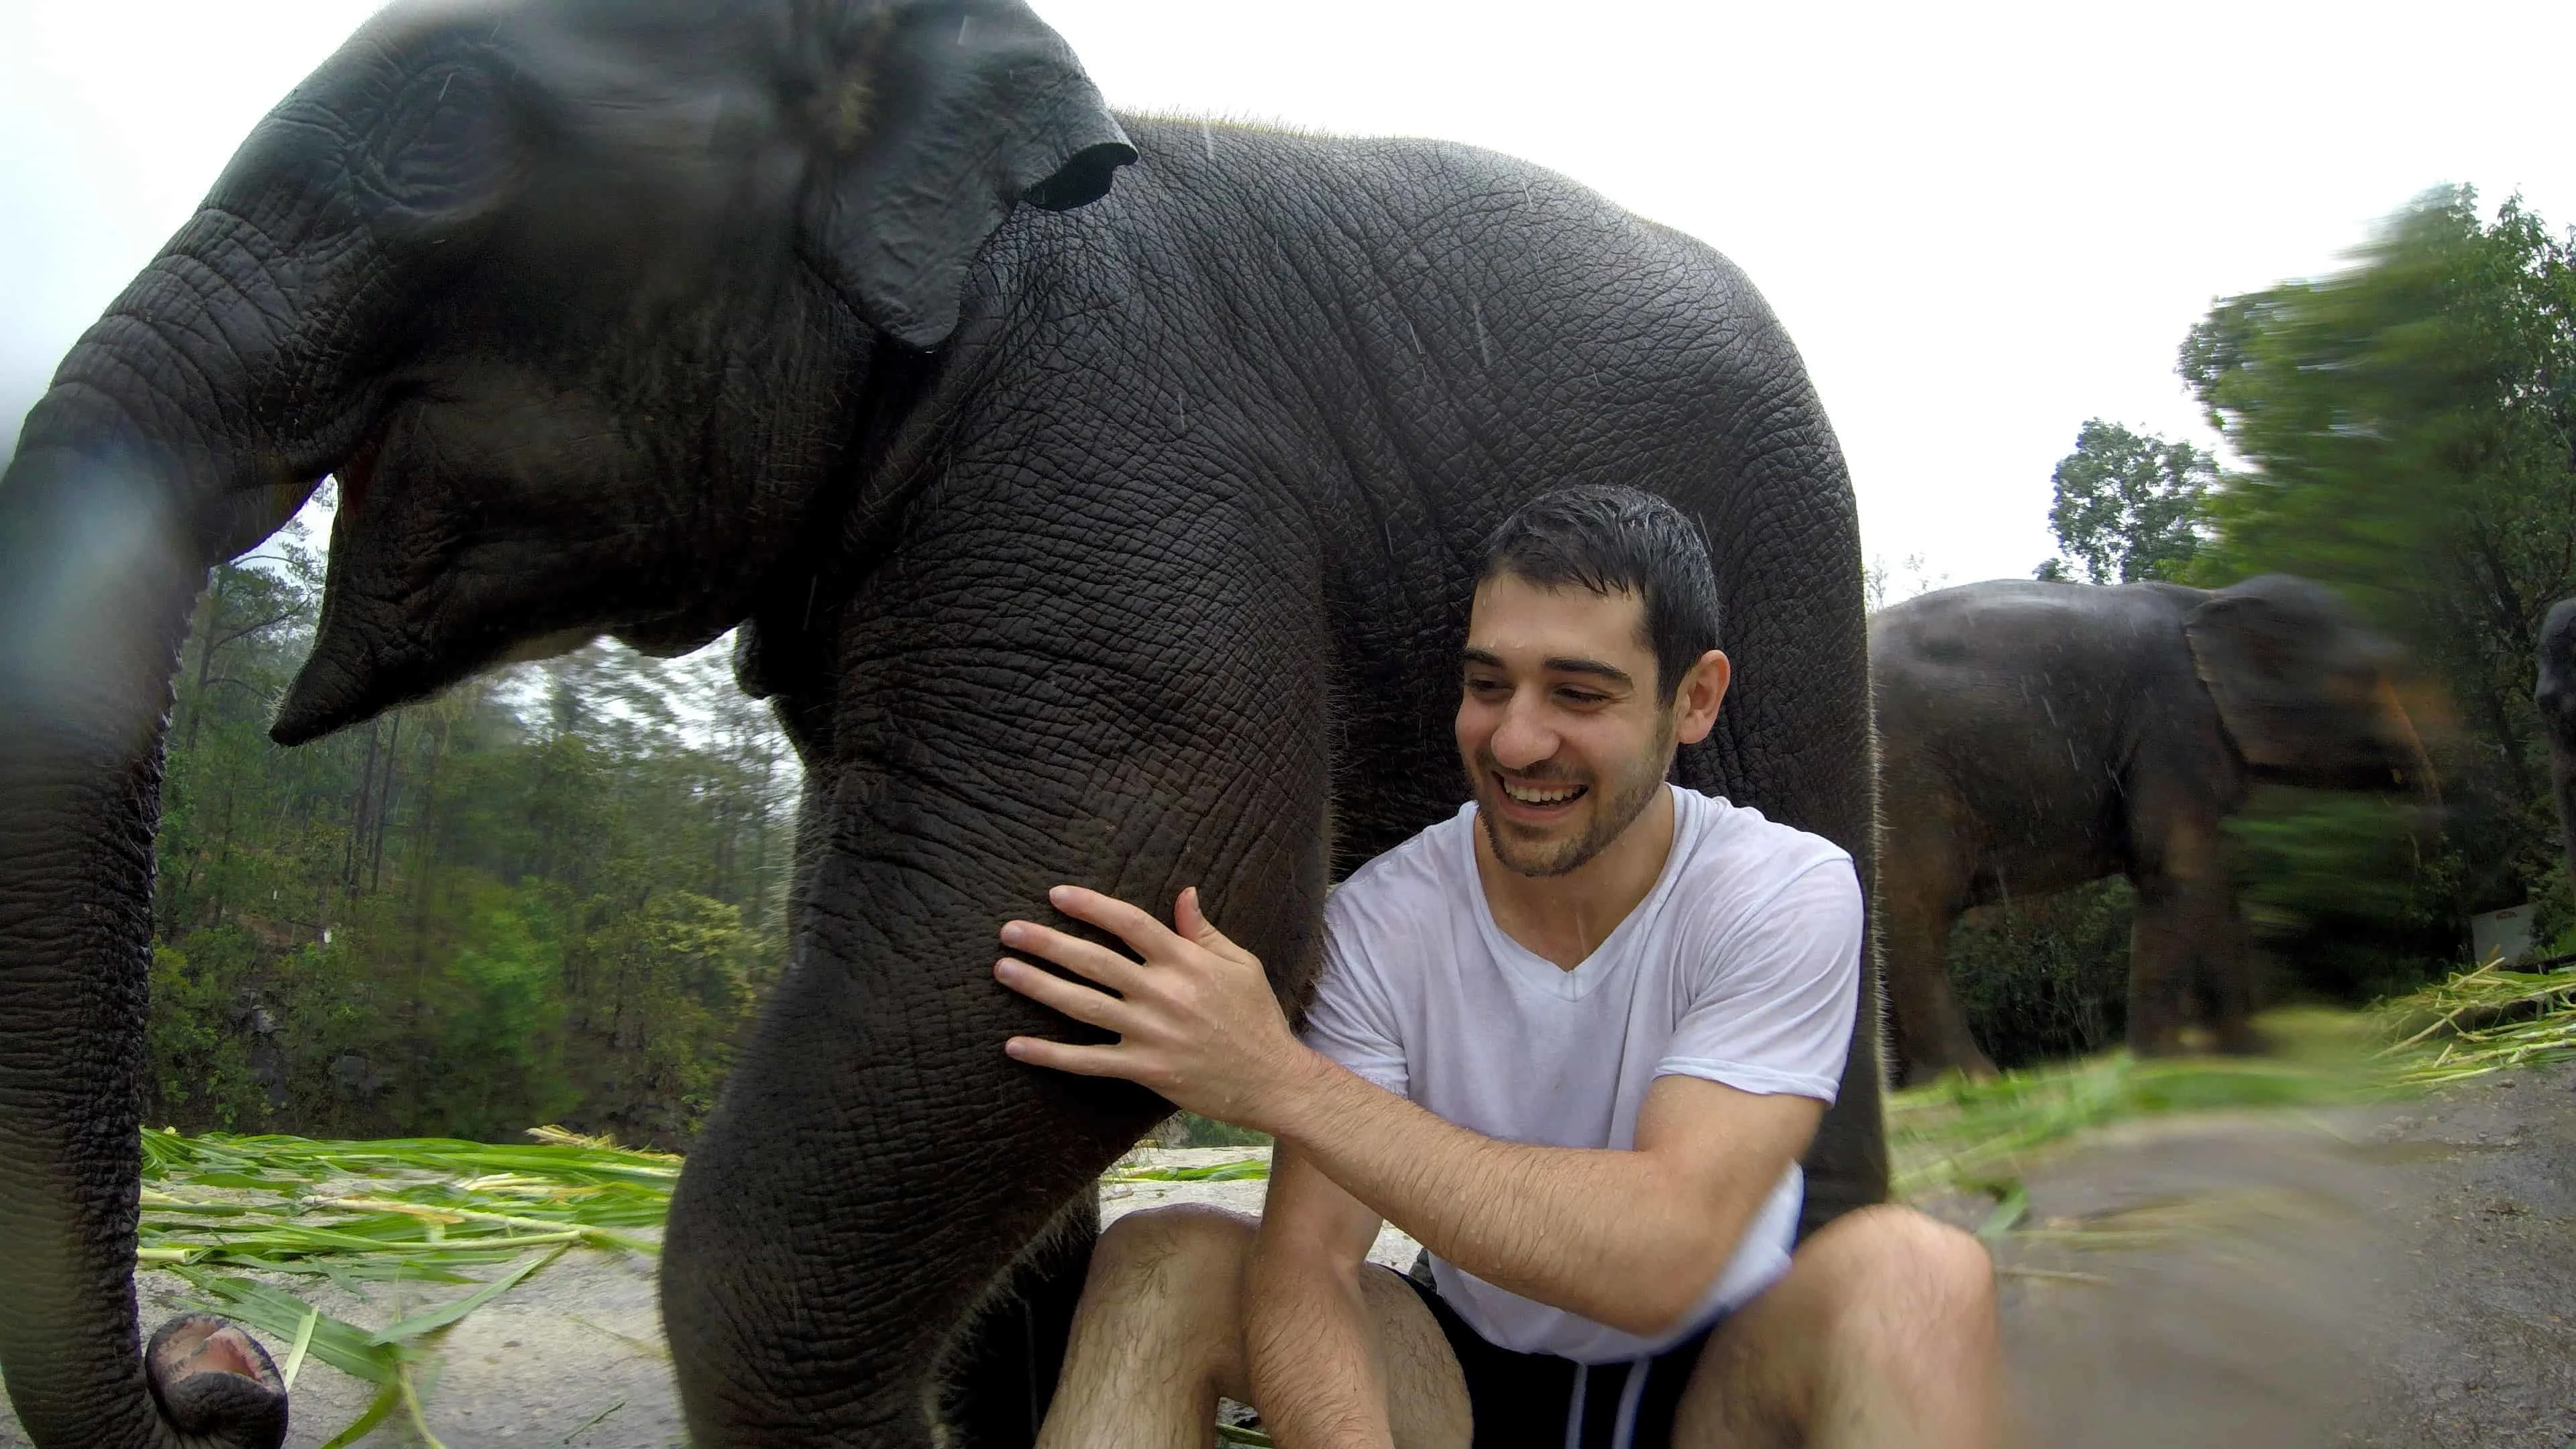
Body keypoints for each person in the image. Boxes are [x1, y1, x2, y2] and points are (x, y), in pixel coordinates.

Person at [990, 486, 2001, 1448]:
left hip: (1718, 1384)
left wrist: (1275, 1078)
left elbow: (1665, 1253)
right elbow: (1312, 1271)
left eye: (1578, 693)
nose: (1516, 740)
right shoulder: (1381, 921)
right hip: (1468, 1376)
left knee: (1920, 1271)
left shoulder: (1782, 891)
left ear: (1694, 700)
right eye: (1488, 685)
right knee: (1158, 1261)